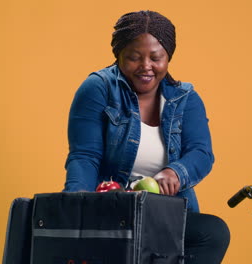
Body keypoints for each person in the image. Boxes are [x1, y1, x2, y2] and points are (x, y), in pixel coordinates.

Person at [63, 10, 230, 263]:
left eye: (156, 58)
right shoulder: (98, 89)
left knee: (213, 233)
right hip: (113, 210)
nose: (146, 67)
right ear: (119, 55)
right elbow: (85, 156)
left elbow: (201, 152)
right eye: (133, 57)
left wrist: (175, 172)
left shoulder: (185, 99)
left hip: (165, 216)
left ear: (168, 57)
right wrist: (75, 210)